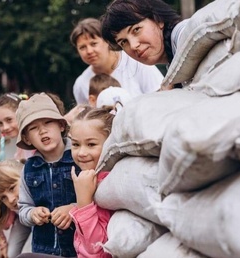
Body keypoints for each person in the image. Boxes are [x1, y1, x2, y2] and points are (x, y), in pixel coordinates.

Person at [16, 93, 81, 257]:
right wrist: (32, 214)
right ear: (27, 139)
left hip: (79, 249)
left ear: (61, 125)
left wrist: (73, 209)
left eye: (48, 122)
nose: (42, 130)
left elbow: (97, 202)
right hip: (44, 251)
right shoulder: (29, 168)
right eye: (33, 128)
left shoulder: (79, 157)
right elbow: (23, 209)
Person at [70, 17, 163, 105]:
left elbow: (161, 95)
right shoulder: (81, 84)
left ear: (107, 41)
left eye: (94, 44)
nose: (89, 51)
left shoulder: (135, 60)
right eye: (82, 47)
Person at [68, 106, 116, 258]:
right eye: (75, 144)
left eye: (91, 144)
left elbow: (97, 249)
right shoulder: (87, 177)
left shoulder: (110, 184)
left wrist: (84, 202)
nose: (81, 153)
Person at [100, 0, 184, 66]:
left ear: (158, 20)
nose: (133, 46)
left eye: (136, 30)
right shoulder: (174, 59)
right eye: (124, 42)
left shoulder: (182, 35)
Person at [0, 159, 32, 258]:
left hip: (37, 216)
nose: (10, 200)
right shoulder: (13, 204)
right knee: (10, 255)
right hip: (21, 219)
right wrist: (2, 245)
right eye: (3, 198)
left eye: (12, 188)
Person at [0, 93, 33, 162]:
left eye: (9, 120)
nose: (5, 127)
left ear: (22, 114)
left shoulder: (36, 144)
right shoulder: (22, 145)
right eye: (0, 123)